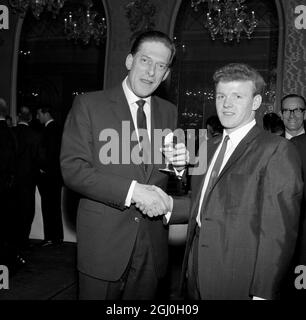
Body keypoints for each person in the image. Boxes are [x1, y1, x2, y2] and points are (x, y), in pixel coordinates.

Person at [60, 30, 187, 300]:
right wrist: (133, 191)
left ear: (166, 74)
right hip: (104, 246)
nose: (151, 71)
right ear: (130, 61)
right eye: (145, 60)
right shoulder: (89, 104)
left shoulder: (168, 111)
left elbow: (164, 174)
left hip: (152, 247)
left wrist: (178, 166)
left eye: (161, 65)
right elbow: (73, 170)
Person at [164, 63, 303, 300]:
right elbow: (203, 204)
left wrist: (262, 293)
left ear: (256, 103)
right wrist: (171, 193)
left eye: (237, 96)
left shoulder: (276, 150)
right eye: (221, 96)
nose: (226, 104)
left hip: (238, 280)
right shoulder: (208, 146)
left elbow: (278, 231)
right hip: (194, 273)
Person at [13, 106, 40, 250]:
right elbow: (39, 159)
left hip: (11, 179)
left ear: (18, 117)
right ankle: (23, 240)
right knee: (27, 211)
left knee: (12, 210)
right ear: (29, 118)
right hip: (28, 180)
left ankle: (12, 241)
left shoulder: (11, 133)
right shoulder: (35, 136)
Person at [36, 106, 63, 246]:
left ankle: (50, 238)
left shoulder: (50, 130)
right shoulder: (58, 128)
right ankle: (57, 237)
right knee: (55, 207)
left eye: (39, 113)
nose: (37, 116)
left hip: (49, 176)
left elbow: (50, 153)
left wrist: (43, 168)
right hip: (56, 176)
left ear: (46, 113)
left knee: (48, 207)